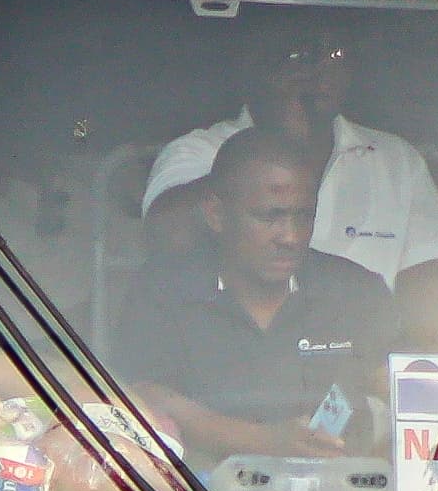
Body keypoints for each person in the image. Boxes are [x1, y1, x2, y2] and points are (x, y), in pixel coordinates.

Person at [138, 22, 438, 333]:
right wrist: (282, 137)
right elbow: (168, 238)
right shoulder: (199, 150)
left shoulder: (395, 160)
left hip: (363, 360)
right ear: (262, 64)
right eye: (301, 56)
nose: (318, 71)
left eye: (334, 55)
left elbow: (435, 287)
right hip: (230, 359)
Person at [122, 132, 376, 459]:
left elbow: (398, 390)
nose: (291, 236)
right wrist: (259, 440)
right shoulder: (164, 289)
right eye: (269, 216)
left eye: (303, 216)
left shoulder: (353, 289)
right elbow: (140, 396)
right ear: (216, 214)